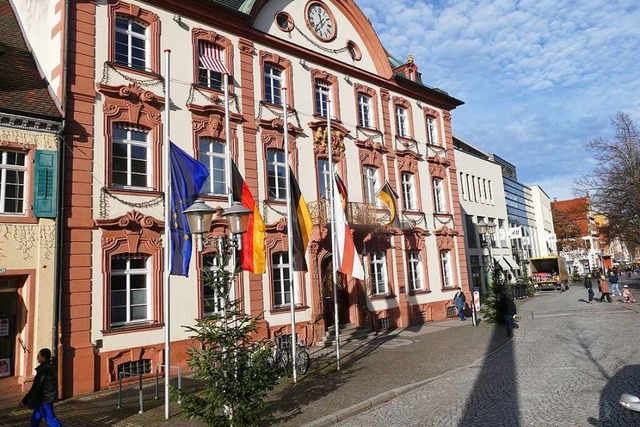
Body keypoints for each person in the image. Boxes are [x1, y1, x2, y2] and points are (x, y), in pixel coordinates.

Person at [21, 348, 62, 427]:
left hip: (44, 399)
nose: (37, 358)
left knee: (50, 419)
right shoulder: (49, 368)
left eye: (38, 356)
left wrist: (25, 400)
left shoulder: (44, 370)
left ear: (44, 357)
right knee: (35, 419)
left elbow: (36, 387)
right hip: (42, 398)